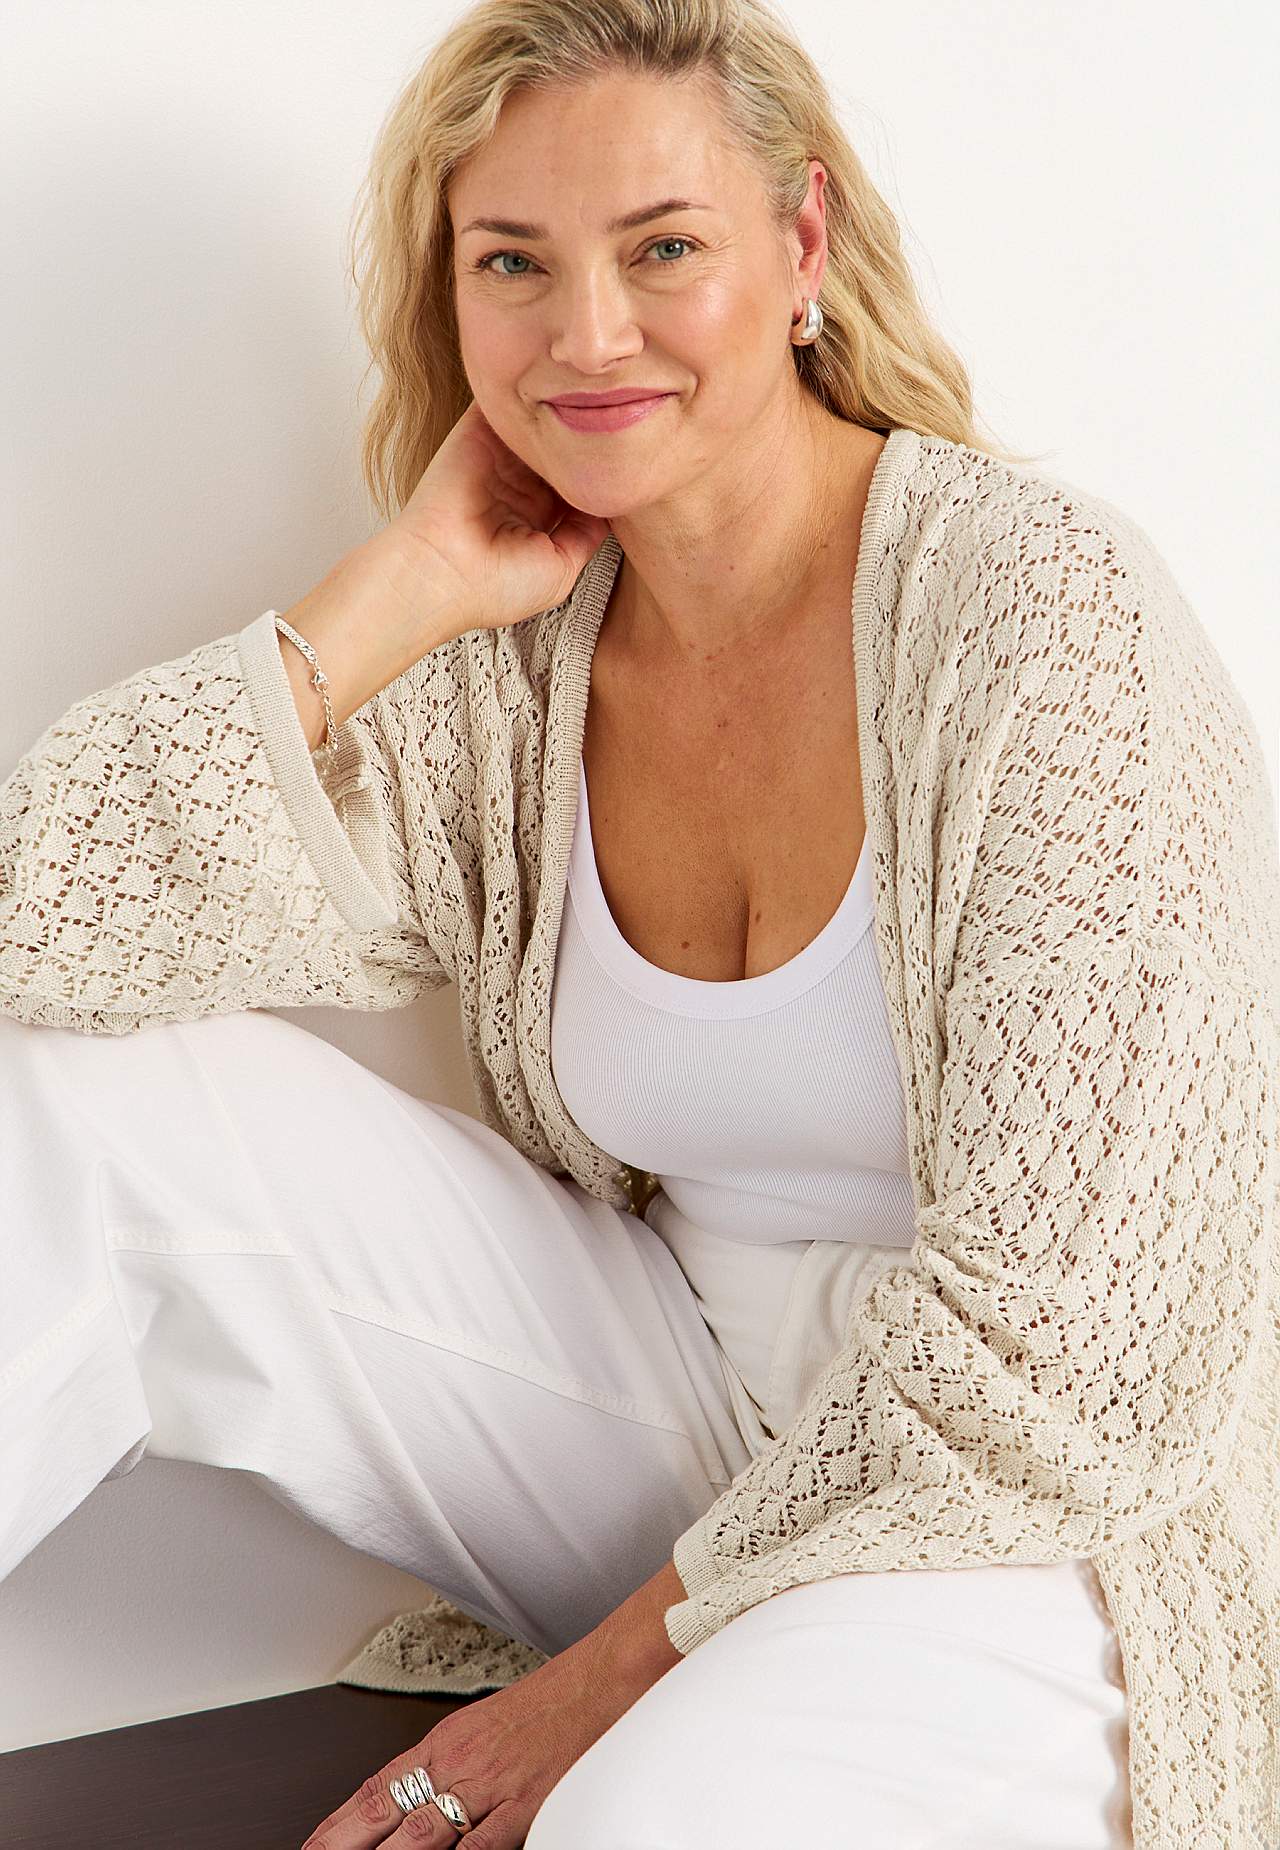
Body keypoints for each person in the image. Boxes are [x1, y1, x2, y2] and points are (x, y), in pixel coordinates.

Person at [2, 2, 1276, 1847]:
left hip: (1024, 1520)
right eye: (513, 263)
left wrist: (585, 1693)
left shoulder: (1044, 622)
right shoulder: (516, 656)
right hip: (677, 1422)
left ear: (803, 245)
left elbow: (1062, 1360)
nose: (587, 336)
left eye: (662, 248)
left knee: (642, 1817)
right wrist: (395, 589)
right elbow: (42, 926)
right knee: (74, 1111)